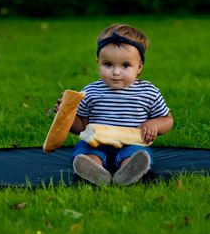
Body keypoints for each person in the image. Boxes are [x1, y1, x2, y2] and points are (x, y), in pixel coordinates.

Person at [54, 23, 173, 186]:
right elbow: (81, 127)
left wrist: (154, 124)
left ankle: (128, 172)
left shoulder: (148, 92)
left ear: (139, 67)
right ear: (98, 63)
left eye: (125, 65)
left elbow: (167, 120)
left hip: (131, 143)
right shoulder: (90, 91)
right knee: (86, 153)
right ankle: (94, 170)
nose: (116, 72)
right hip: (95, 144)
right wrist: (66, 115)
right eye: (108, 64)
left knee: (137, 154)